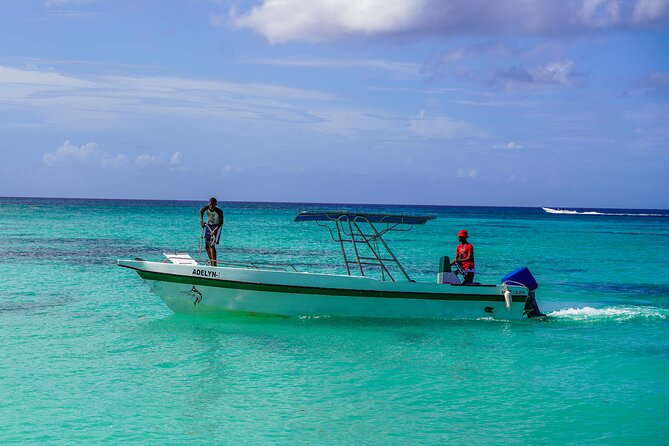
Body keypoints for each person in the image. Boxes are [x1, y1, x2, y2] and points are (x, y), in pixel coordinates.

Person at [199, 197, 224, 266]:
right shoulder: (206, 208)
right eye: (210, 204)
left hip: (217, 227)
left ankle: (214, 264)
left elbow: (221, 223)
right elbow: (201, 211)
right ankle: (211, 262)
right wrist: (201, 221)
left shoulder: (219, 211)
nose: (211, 206)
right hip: (209, 225)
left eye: (213, 205)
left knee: (212, 245)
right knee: (207, 245)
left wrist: (214, 230)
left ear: (216, 204)